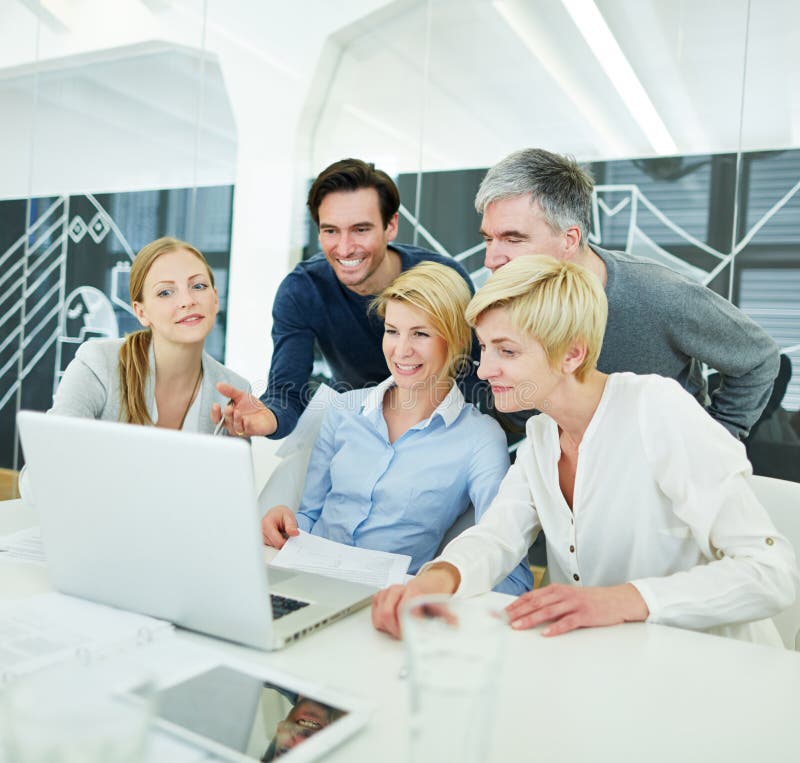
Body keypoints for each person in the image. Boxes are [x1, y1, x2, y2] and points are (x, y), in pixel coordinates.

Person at [372, 256, 797, 645]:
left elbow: (772, 571)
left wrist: (624, 600)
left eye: (507, 351)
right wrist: (436, 580)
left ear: (572, 353)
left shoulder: (656, 409)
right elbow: (496, 536)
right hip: (616, 666)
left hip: (720, 668)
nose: (484, 369)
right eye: (484, 347)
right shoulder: (540, 436)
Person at [260, 262, 531, 595]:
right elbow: (310, 516)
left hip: (385, 601)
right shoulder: (344, 410)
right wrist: (284, 523)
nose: (401, 350)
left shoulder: (479, 439)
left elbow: (505, 559)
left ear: (456, 340)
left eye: (420, 333)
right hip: (305, 583)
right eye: (392, 331)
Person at [474, 147, 779, 440]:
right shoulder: (505, 303)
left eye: (513, 239)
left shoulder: (660, 295)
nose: (491, 259)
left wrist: (716, 440)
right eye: (489, 239)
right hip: (572, 463)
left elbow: (757, 359)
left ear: (569, 240)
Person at [214, 158, 475, 440]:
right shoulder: (303, 290)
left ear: (391, 225)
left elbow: (475, 375)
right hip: (360, 430)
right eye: (330, 231)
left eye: (360, 230)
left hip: (444, 429)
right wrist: (268, 418)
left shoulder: (444, 278)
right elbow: (287, 393)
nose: (345, 248)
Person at [48, 236, 247, 431]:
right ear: (141, 312)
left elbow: (231, 465)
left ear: (215, 299)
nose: (187, 300)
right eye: (165, 292)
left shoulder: (235, 391)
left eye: (198, 286)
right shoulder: (98, 363)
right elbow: (50, 454)